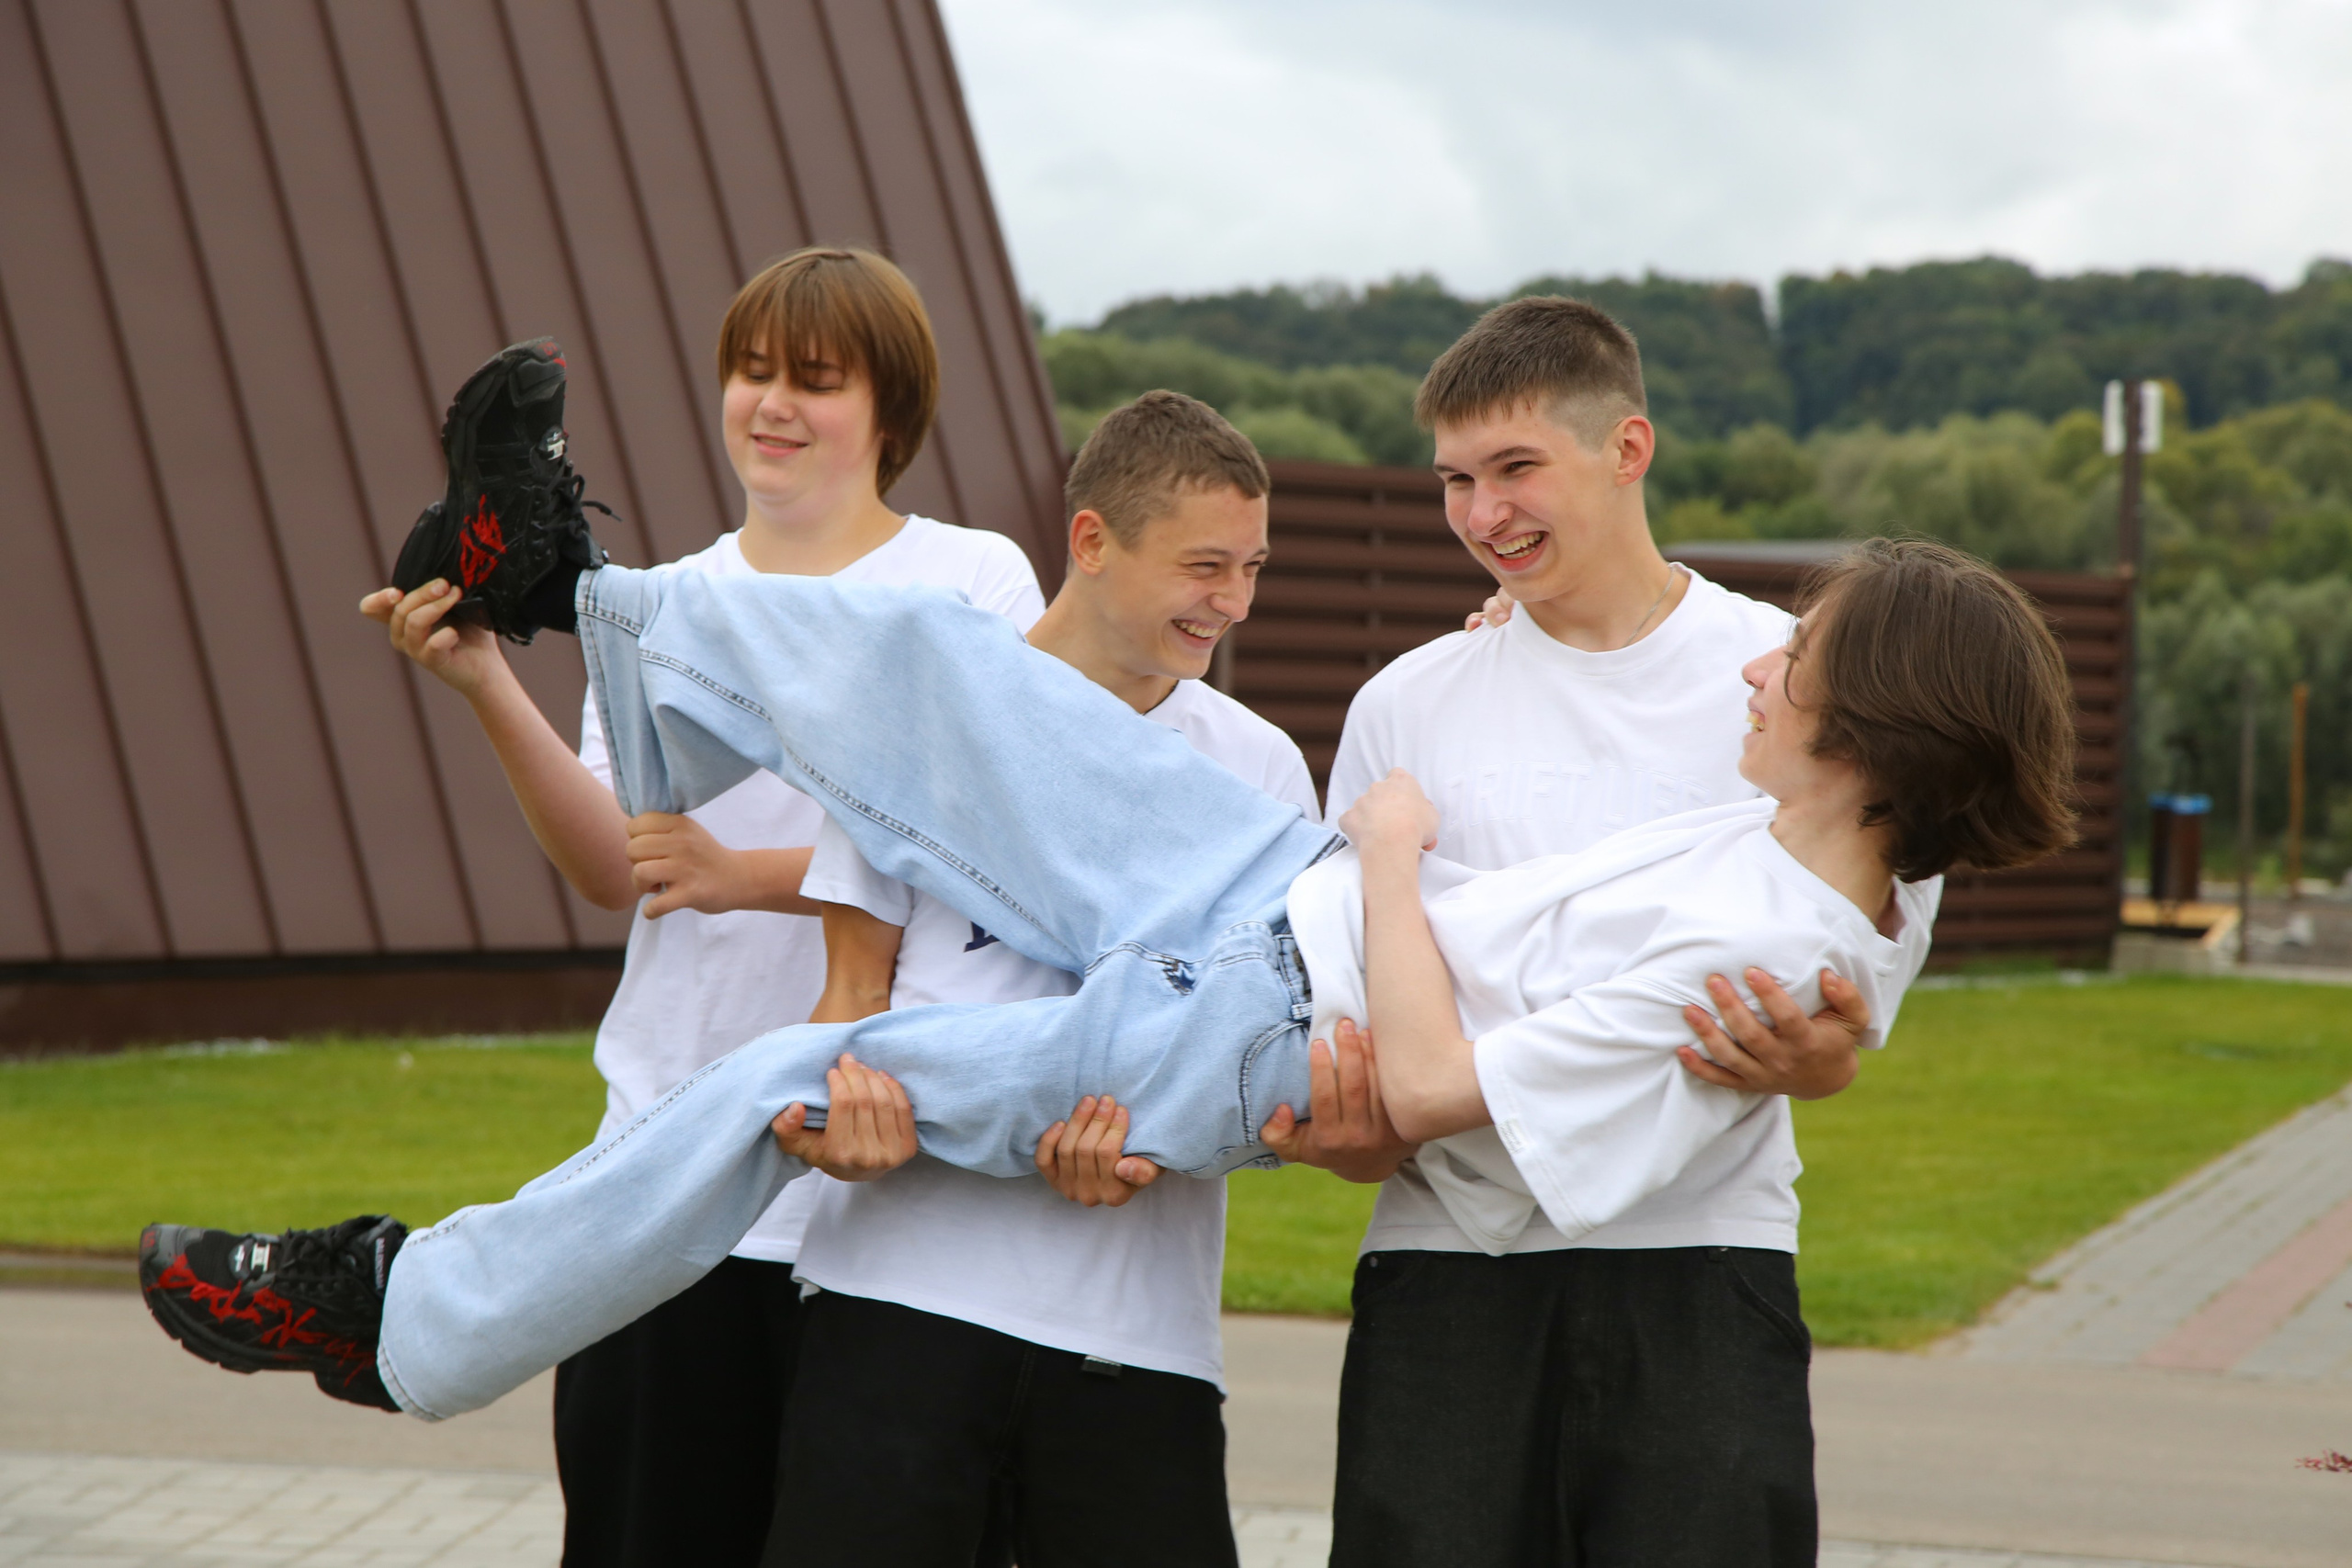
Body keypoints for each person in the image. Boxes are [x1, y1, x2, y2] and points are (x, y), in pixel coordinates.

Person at [141, 524, 2075, 1533]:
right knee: (941, 677)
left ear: (1868, 721)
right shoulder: (1795, 869)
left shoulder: (1763, 957)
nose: (1759, 655)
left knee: (782, 1079)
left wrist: (1392, 863)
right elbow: (1878, 914)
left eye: (1798, 653)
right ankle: (571, 584)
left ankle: (393, 1318)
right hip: (1261, 893)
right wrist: (1367, 860)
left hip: (1245, 1022)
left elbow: (1415, 1093)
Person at [355, 248, 1042, 1568]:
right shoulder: (659, 603)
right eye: (752, 371)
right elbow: (620, 866)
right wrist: (487, 679)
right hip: (661, 1184)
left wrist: (747, 877)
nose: (772, 404)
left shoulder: (972, 581)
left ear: (891, 412)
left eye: (817, 381)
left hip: (880, 1198)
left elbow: (984, 837)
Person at [1313, 294, 1886, 1564]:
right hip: (1443, 1261)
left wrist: (1820, 1055)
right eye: (1457, 478)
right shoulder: (1404, 704)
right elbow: (1346, 1004)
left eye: (1517, 467)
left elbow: (1846, 997)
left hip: (1704, 1259)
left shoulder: (1790, 682)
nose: (1482, 513)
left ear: (1628, 448)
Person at [770, 390, 1324, 1568]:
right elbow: (845, 1004)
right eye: (1203, 566)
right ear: (1090, 542)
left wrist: (1154, 1145)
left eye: (1253, 567)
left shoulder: (1259, 769)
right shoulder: (918, 720)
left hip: (1137, 1342)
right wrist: (831, 1129)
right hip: (895, 1306)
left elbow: (1254, 1050)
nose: (1232, 601)